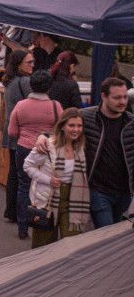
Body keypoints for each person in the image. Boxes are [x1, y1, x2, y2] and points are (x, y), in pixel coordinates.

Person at [36, 77, 133, 228]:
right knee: (105, 233)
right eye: (117, 97)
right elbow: (62, 130)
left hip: (125, 192)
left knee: (116, 234)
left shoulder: (131, 122)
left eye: (125, 97)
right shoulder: (86, 117)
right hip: (98, 190)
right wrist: (44, 136)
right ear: (104, 96)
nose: (122, 101)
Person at [24, 108, 90, 248]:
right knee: (43, 246)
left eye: (79, 126)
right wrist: (48, 180)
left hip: (73, 199)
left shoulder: (80, 146)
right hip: (49, 199)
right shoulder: (48, 145)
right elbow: (27, 166)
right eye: (71, 125)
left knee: (71, 245)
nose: (75, 129)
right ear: (62, 126)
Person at [8, 70, 62, 239]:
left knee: (24, 186)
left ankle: (23, 227)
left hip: (24, 148)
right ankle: (42, 221)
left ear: (31, 85)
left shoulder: (21, 105)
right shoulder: (56, 106)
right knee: (45, 187)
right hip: (49, 151)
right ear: (49, 86)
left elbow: (12, 131)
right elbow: (62, 130)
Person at [1, 50, 34, 223]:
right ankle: (17, 211)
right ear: (19, 64)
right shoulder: (25, 82)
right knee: (21, 175)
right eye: (29, 62)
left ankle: (11, 210)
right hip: (22, 132)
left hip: (11, 130)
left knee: (14, 172)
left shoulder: (10, 81)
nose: (32, 65)